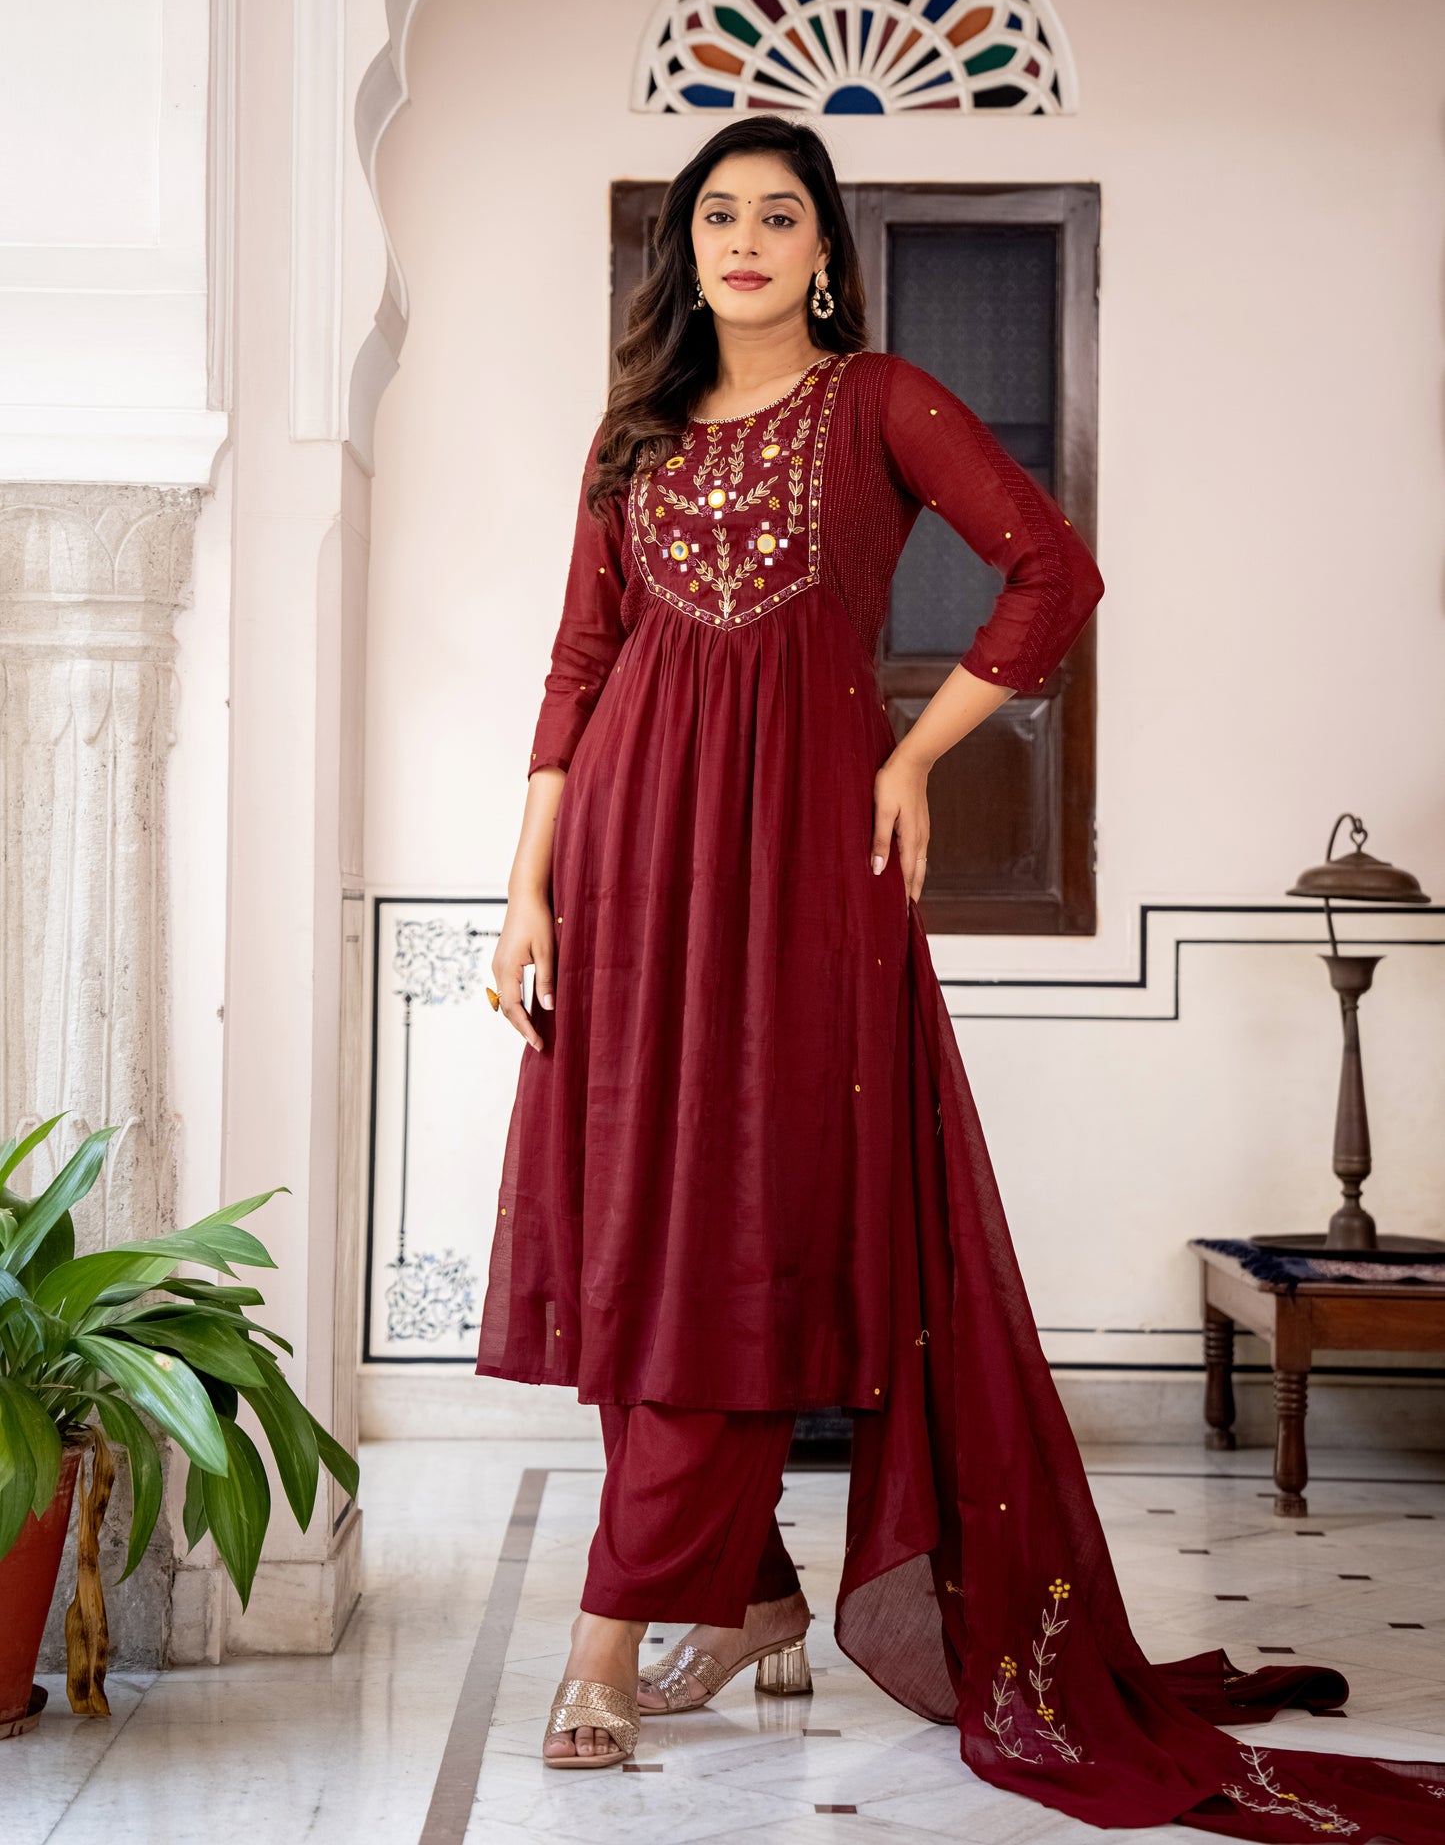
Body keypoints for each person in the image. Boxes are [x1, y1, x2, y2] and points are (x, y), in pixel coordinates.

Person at [477, 119, 1443, 1835]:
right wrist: (524, 893)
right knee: (638, 1242)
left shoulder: (878, 404)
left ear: (824, 249)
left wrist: (914, 755)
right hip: (625, 876)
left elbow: (1049, 570)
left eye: (780, 214)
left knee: (739, 1235)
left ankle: (609, 1641)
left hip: (796, 880)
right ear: (683, 251)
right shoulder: (626, 444)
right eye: (719, 215)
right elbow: (578, 665)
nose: (747, 239)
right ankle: (757, 1597)